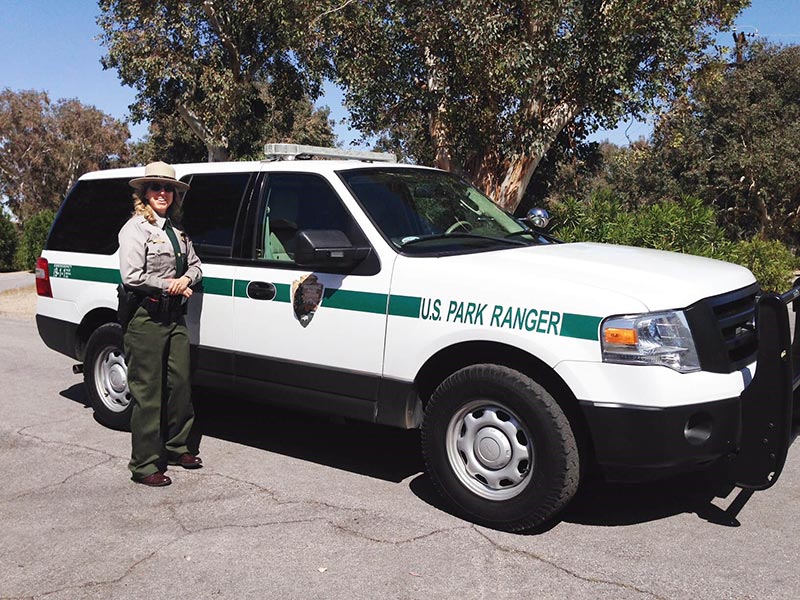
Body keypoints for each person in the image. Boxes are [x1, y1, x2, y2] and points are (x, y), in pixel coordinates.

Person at [118, 161, 203, 487]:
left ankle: (177, 446)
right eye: (156, 188)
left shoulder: (178, 232)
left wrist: (186, 278)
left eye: (168, 188)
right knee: (148, 393)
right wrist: (171, 284)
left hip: (173, 317)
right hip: (146, 318)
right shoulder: (134, 230)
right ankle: (144, 465)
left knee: (180, 384)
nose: (163, 193)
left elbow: (196, 266)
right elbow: (132, 276)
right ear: (144, 193)